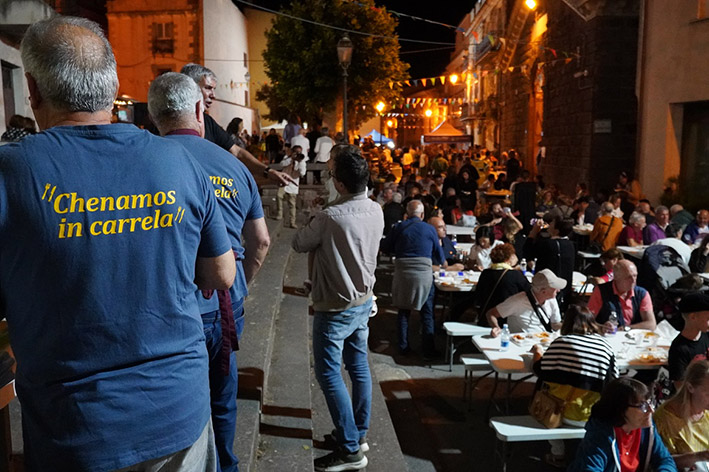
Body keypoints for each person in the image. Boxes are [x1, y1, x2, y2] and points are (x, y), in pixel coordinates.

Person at [2, 17, 237, 471]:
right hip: (180, 411)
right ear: (112, 88)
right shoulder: (178, 160)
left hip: (80, 428)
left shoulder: (11, 172)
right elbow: (221, 273)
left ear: (31, 89)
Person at [148, 72, 270, 472]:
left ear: (153, 116)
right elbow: (261, 241)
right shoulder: (232, 166)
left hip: (168, 305)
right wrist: (240, 285)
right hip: (225, 303)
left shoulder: (146, 161)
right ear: (200, 110)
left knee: (176, 402)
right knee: (222, 396)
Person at [292, 144, 383, 471]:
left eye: (331, 174)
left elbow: (299, 242)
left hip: (334, 307)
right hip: (363, 301)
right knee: (358, 368)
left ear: (340, 183)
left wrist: (314, 214)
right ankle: (358, 433)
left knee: (328, 373)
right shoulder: (376, 209)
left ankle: (350, 450)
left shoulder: (329, 217)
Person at [531, 305, 619, 467]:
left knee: (546, 392)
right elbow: (614, 380)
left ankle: (557, 452)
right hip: (591, 415)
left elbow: (540, 371)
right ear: (592, 322)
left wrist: (537, 352)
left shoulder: (561, 342)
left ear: (567, 323)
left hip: (556, 413)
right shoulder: (605, 347)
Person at [180, 63, 294, 186]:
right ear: (190, 88)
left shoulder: (208, 122)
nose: (213, 95)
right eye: (208, 88)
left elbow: (237, 152)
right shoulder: (168, 121)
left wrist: (268, 171)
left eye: (214, 89)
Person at [568, 377, 677, 472]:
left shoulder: (645, 428)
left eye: (651, 403)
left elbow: (665, 460)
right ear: (620, 409)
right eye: (642, 406)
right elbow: (590, 469)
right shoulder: (600, 435)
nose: (651, 410)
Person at [381, 200, 445, 358]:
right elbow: (439, 256)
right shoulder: (429, 229)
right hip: (424, 276)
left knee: (403, 311)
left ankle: (403, 347)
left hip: (403, 274)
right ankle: (428, 350)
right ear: (422, 215)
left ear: (406, 214)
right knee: (427, 312)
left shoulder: (399, 227)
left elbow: (385, 247)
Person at [655, 360, 709, 471]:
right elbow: (660, 461)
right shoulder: (665, 419)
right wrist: (698, 457)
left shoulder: (705, 410)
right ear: (690, 387)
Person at [464, 243, 529, 325]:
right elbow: (529, 291)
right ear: (508, 259)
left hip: (486, 318)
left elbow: (478, 295)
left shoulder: (485, 273)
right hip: (508, 318)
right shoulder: (515, 275)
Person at [486, 269, 565, 336]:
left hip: (544, 341)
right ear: (543, 291)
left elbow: (554, 324)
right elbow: (491, 314)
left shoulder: (552, 300)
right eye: (555, 288)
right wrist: (496, 328)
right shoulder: (517, 301)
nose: (558, 290)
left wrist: (568, 327)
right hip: (520, 343)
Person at [587, 260, 657, 332]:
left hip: (633, 336)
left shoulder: (642, 294)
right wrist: (602, 328)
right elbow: (587, 321)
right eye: (629, 277)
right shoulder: (601, 291)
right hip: (607, 336)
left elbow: (651, 324)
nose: (633, 280)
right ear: (616, 277)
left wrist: (625, 328)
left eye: (635, 276)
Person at [524, 215, 575, 310]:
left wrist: (534, 231)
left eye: (552, 223)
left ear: (557, 230)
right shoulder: (570, 245)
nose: (549, 224)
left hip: (546, 287)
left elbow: (527, 252)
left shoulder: (548, 244)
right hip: (563, 290)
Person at [668, 292, 709, 391]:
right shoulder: (679, 349)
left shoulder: (706, 336)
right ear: (693, 317)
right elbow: (680, 387)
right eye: (708, 318)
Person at [276, 144, 307, 228]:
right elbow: (281, 164)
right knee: (279, 196)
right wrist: (291, 159)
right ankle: (279, 214)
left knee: (292, 204)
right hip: (284, 181)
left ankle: (292, 222)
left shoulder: (302, 161)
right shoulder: (287, 158)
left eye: (299, 152)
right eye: (296, 152)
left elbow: (303, 173)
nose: (298, 154)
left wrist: (299, 162)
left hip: (293, 184)